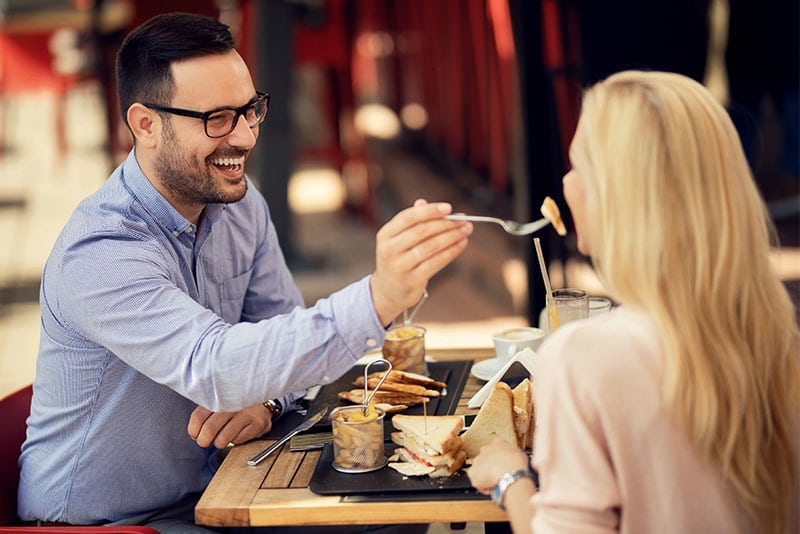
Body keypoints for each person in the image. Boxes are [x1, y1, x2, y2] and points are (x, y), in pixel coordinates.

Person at [17, 12, 473, 531]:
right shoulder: (99, 250)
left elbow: (278, 329)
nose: (244, 138)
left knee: (399, 510)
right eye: (217, 119)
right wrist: (379, 297)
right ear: (145, 125)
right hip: (105, 523)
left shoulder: (238, 203)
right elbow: (215, 368)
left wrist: (270, 401)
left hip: (220, 487)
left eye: (249, 110)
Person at [468, 70, 799, 534]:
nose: (567, 182)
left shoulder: (584, 356)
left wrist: (511, 478)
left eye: (579, 164)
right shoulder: (779, 335)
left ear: (620, 195)